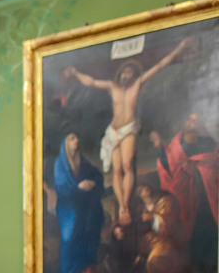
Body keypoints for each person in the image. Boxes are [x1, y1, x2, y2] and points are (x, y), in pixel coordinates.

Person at [62, 37, 193, 223]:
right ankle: (122, 206)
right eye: (124, 72)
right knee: (116, 171)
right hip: (113, 131)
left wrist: (179, 47)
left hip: (129, 129)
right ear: (120, 74)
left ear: (134, 75)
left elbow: (159, 66)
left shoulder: (137, 85)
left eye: (130, 73)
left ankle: (125, 207)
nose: (126, 75)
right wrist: (75, 72)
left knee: (127, 166)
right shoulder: (112, 87)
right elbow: (90, 82)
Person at [152, 112, 219, 273]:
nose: (191, 123)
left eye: (195, 120)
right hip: (185, 201)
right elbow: (169, 164)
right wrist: (160, 148)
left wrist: (196, 174)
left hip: (206, 204)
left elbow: (213, 169)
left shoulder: (208, 144)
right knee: (190, 239)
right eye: (189, 119)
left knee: (208, 236)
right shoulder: (178, 142)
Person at [51, 133, 106, 273]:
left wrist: (92, 184)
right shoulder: (60, 164)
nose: (77, 140)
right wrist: (78, 188)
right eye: (72, 138)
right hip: (68, 212)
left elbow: (97, 177)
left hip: (85, 210)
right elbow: (61, 189)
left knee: (88, 241)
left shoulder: (82, 161)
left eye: (77, 138)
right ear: (66, 144)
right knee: (69, 241)